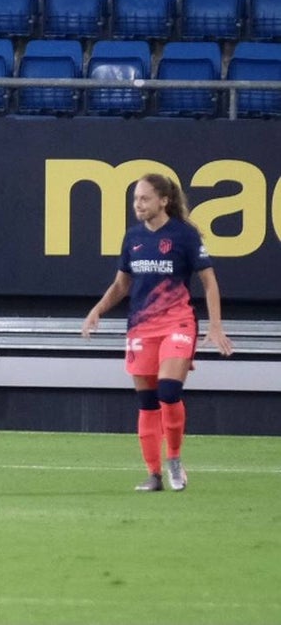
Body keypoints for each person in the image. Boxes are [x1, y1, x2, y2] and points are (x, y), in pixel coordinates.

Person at [81, 174, 234, 492]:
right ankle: (154, 474)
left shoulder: (185, 235)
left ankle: (175, 460)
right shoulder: (133, 237)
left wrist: (215, 325)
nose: (138, 204)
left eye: (145, 198)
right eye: (135, 198)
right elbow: (122, 285)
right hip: (142, 326)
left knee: (168, 391)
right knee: (148, 401)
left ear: (164, 200)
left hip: (177, 322)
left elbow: (209, 281)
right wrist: (97, 310)